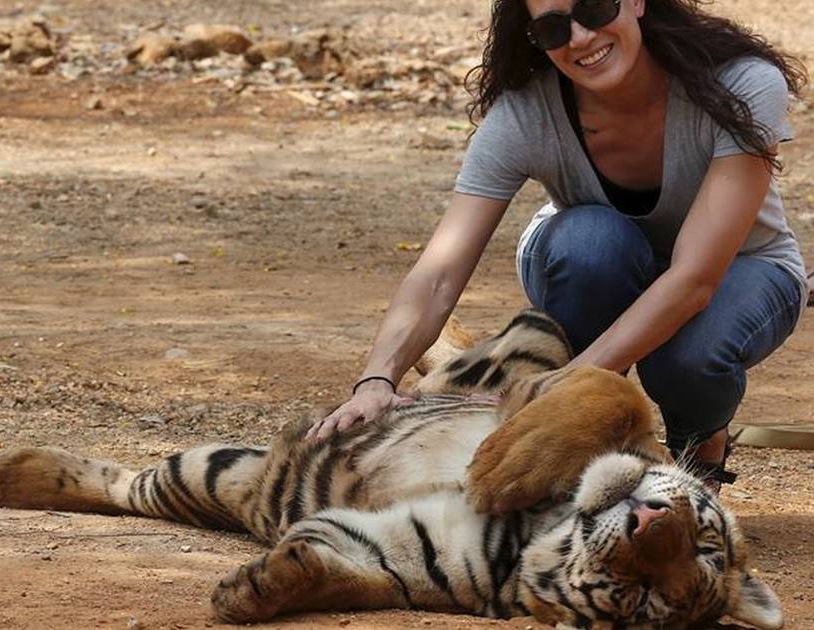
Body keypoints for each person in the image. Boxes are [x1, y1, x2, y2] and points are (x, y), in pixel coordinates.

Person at [308, 0, 807, 488]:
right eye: (552, 29)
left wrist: (559, 386)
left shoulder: (741, 83)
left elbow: (694, 278)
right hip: (593, 257)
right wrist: (376, 380)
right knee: (589, 244)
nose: (581, 38)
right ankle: (576, 445)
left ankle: (701, 439)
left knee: (687, 359)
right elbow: (440, 269)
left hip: (740, 266)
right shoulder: (526, 113)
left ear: (636, 2)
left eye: (593, 10)